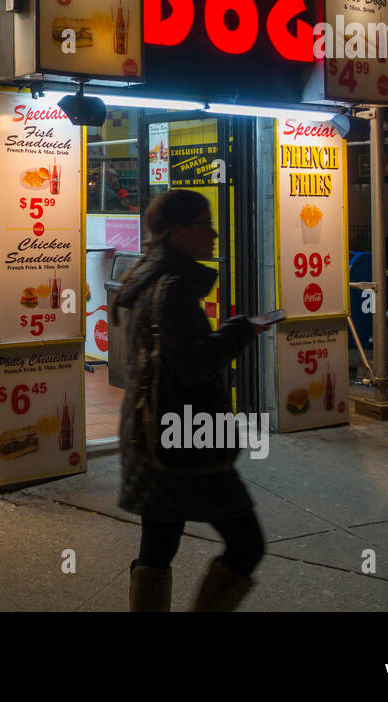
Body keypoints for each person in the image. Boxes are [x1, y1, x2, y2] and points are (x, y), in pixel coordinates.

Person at [112, 189, 267, 611]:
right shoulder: (175, 285)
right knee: (247, 544)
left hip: (148, 434)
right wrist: (240, 332)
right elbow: (196, 366)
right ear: (178, 230)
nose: (214, 233)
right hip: (185, 437)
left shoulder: (142, 274)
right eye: (204, 223)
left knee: (159, 543)